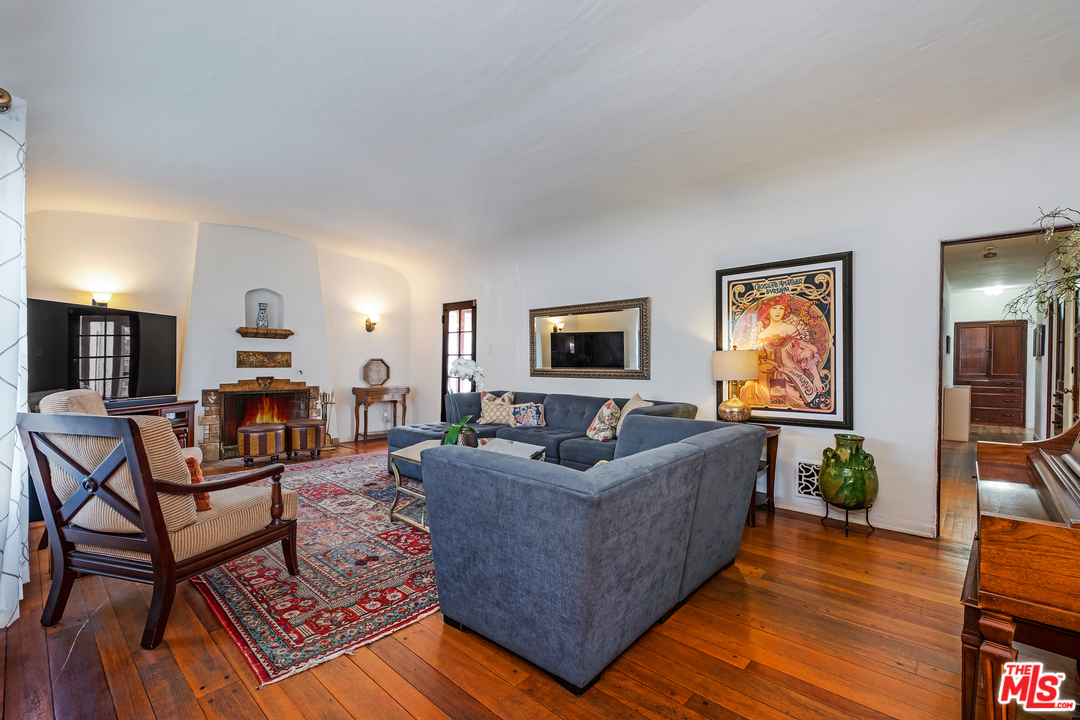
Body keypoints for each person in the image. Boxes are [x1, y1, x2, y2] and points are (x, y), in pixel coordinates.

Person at [738, 295, 826, 410]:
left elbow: (806, 354)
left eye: (781, 308)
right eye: (774, 308)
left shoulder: (791, 330)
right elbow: (756, 361)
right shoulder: (762, 335)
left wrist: (817, 378)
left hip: (791, 379)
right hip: (765, 383)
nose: (778, 311)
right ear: (767, 311)